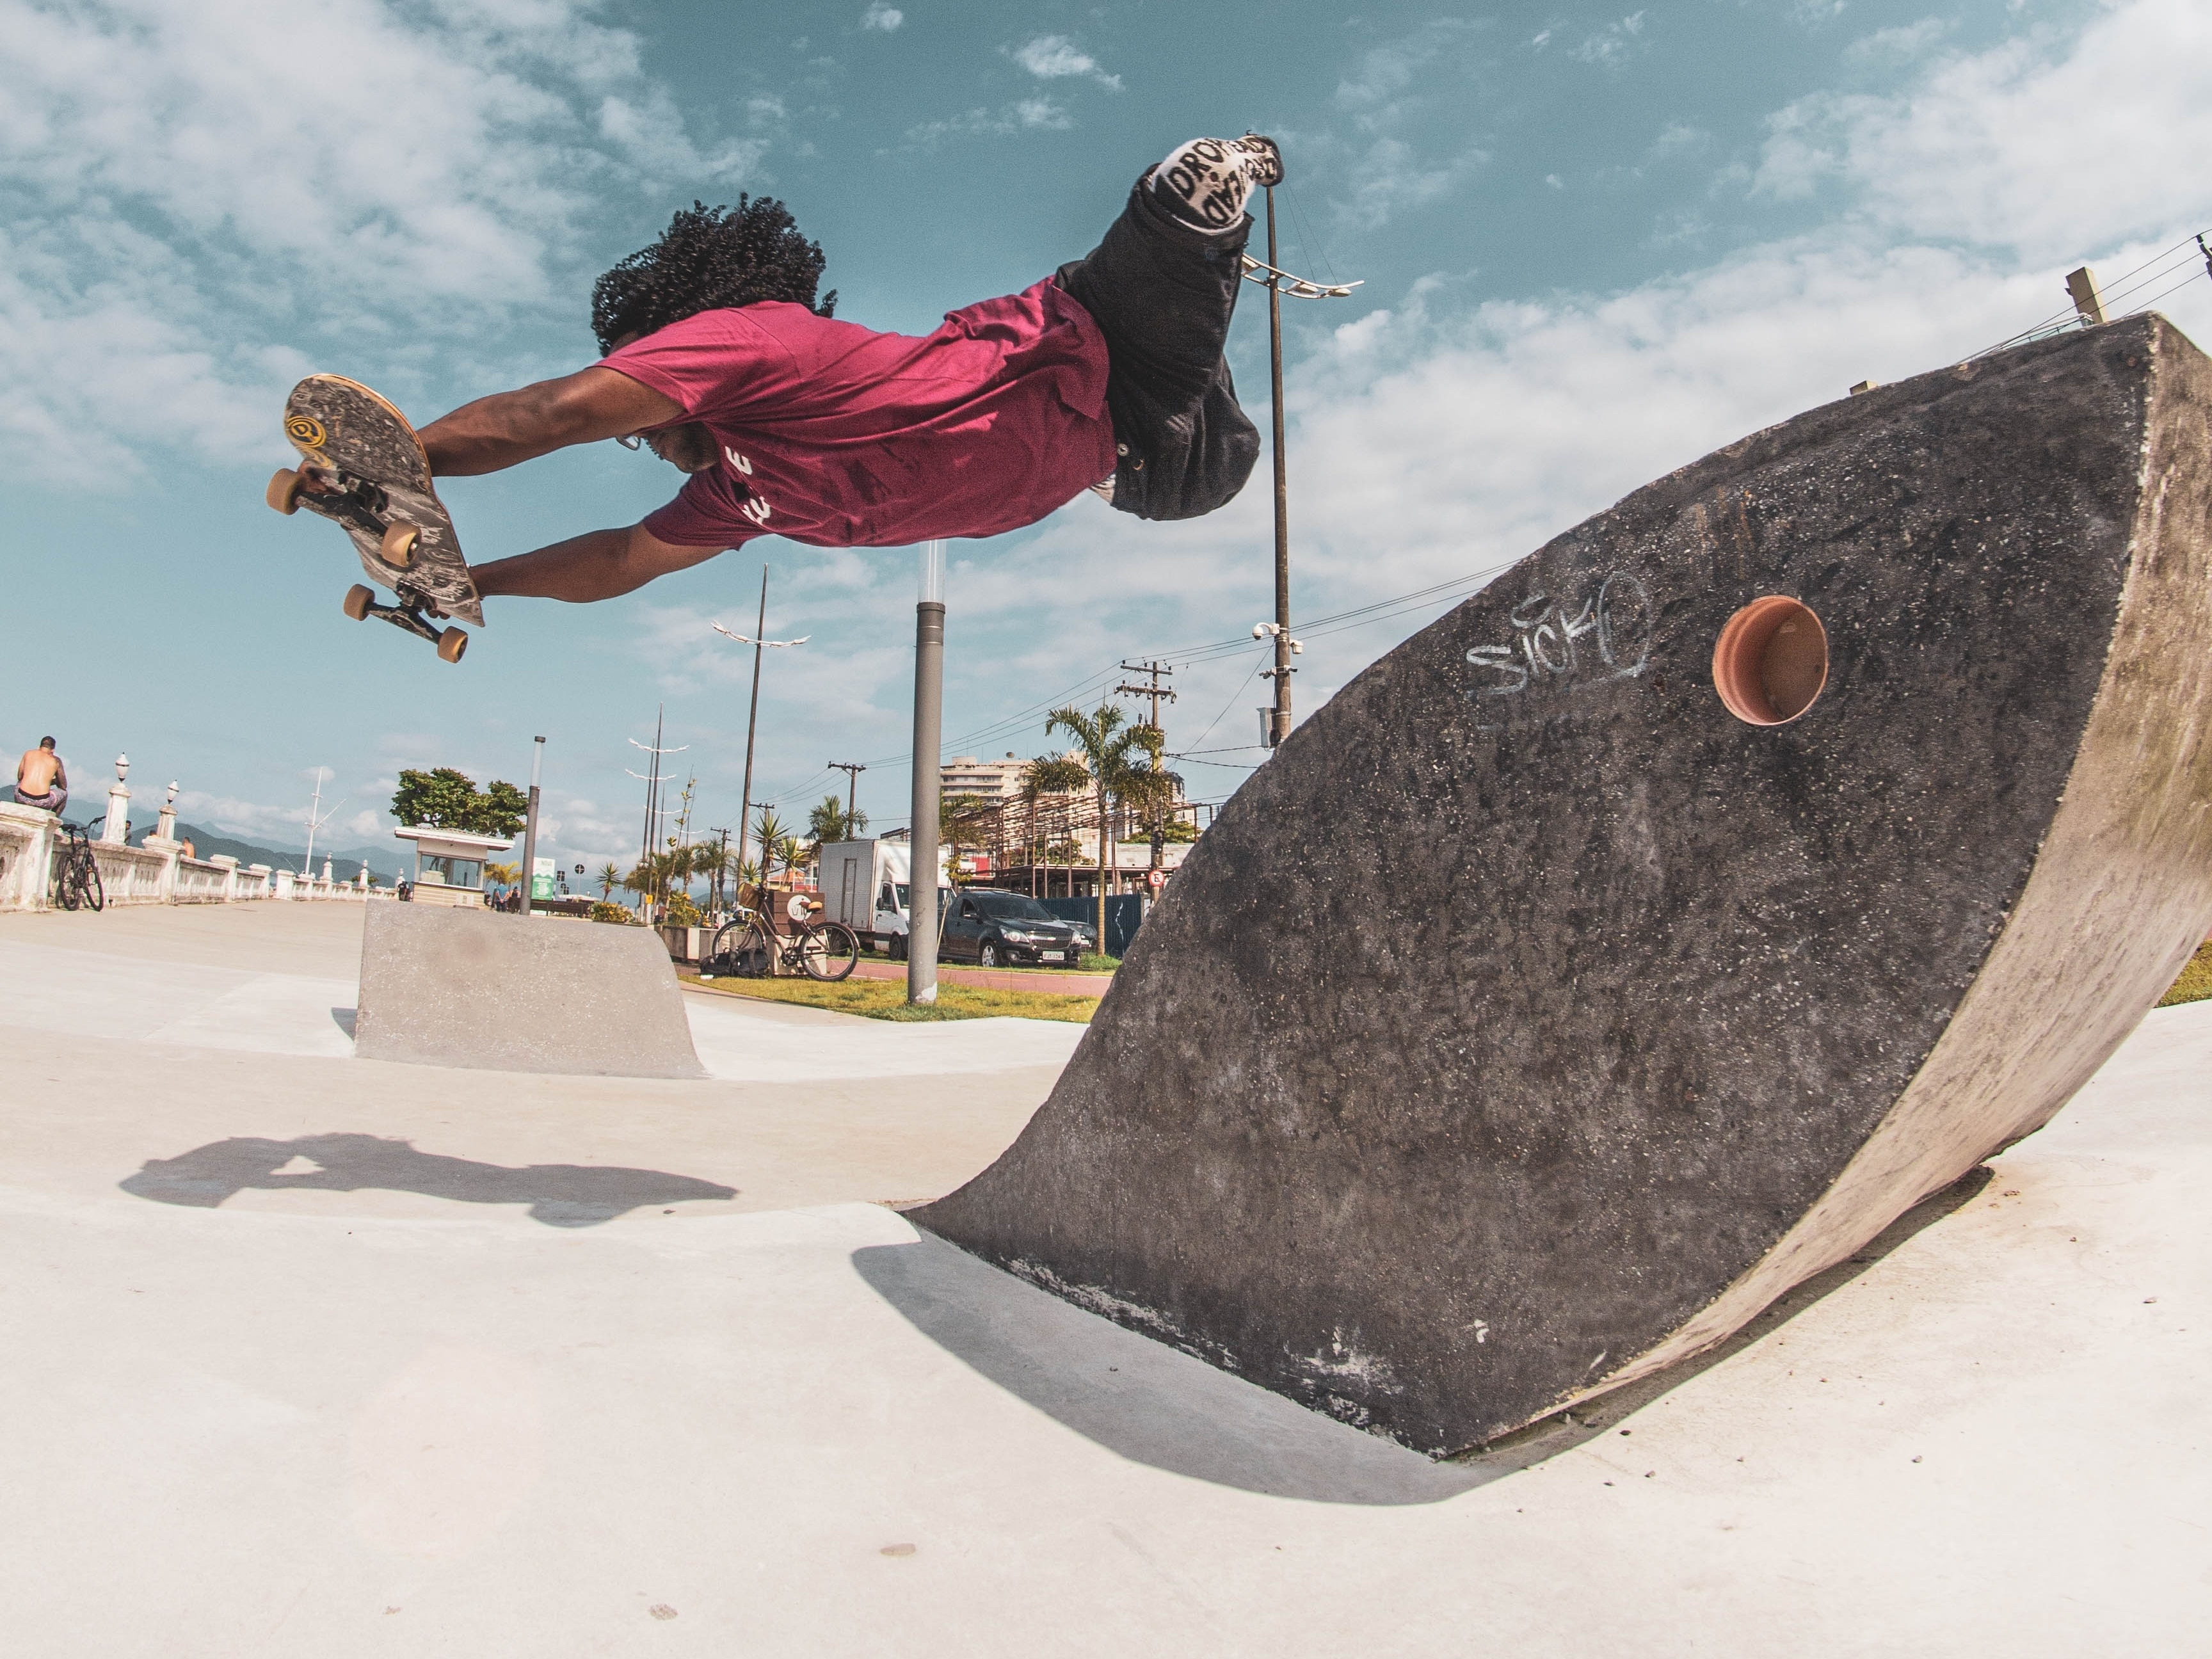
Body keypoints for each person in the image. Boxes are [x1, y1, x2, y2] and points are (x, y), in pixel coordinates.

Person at [404, 135, 1283, 605]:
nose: (642, 439)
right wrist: (474, 582)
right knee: (1205, 464)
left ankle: (1213, 181)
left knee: (1170, 230)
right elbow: (620, 559)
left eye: (646, 423)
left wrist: (407, 460)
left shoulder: (754, 346)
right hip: (1152, 463)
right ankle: (1195, 251)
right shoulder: (736, 497)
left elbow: (556, 411)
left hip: (1082, 335)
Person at [13, 737, 67, 814]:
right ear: (53, 750)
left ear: (39, 747)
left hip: (21, 797)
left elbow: (20, 777)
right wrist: (54, 781)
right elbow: (63, 786)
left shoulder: (28, 753)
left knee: (20, 782)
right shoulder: (56, 761)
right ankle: (53, 821)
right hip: (42, 801)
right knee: (64, 794)